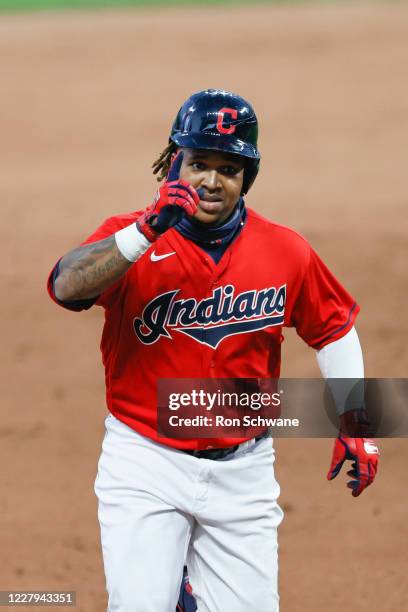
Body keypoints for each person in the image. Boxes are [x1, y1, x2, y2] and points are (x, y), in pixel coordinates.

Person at [47, 89, 379, 612]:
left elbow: (334, 327)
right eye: (198, 162)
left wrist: (356, 421)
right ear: (174, 161)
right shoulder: (129, 238)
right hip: (145, 462)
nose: (210, 180)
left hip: (243, 473)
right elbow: (66, 286)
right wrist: (143, 233)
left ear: (248, 176)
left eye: (228, 168)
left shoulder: (285, 250)